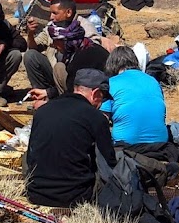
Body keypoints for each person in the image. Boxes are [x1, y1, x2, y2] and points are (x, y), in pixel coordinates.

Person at [24, 68, 116, 209]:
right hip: (75, 196)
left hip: (36, 193)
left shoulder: (42, 111)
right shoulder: (96, 117)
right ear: (95, 93)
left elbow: (31, 157)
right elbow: (109, 162)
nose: (101, 103)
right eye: (102, 98)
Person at [23, 0, 110, 104]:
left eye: (55, 13)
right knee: (31, 55)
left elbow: (85, 78)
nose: (50, 17)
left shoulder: (85, 31)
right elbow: (34, 46)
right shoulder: (54, 28)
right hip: (62, 74)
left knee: (60, 67)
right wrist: (30, 33)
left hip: (86, 82)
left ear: (68, 12)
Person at [101, 46, 170, 148]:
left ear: (111, 64)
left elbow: (102, 120)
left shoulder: (111, 83)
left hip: (126, 144)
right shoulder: (152, 80)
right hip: (160, 142)